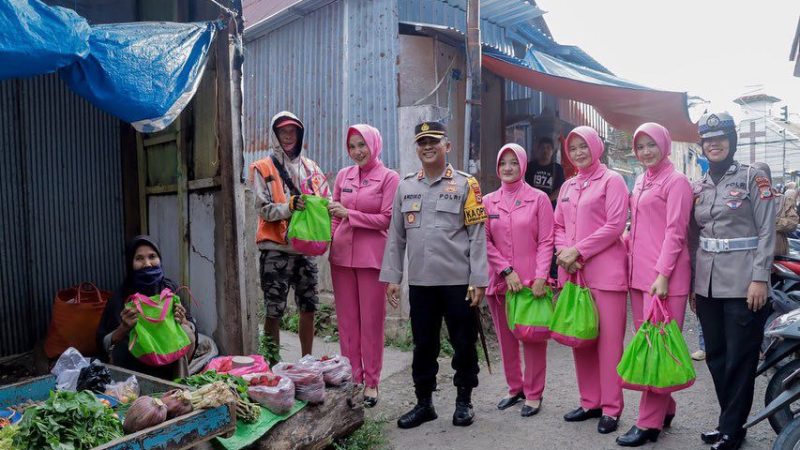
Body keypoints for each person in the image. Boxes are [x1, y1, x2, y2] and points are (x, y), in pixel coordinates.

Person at [381, 121, 488, 429]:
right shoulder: (406, 186)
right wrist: (393, 277)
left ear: (447, 146)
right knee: (423, 345)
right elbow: (396, 237)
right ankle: (424, 403)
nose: (427, 147)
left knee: (463, 343)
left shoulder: (467, 185)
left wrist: (478, 279)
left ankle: (464, 401)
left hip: (458, 283)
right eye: (422, 142)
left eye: (434, 141)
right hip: (421, 283)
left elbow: (477, 234)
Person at [689, 112, 776, 450]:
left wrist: (760, 278)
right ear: (702, 145)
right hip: (708, 284)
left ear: (732, 140)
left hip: (744, 283)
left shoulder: (754, 178)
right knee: (717, 357)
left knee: (740, 358)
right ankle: (729, 423)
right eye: (708, 139)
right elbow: (693, 238)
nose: (714, 144)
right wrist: (695, 287)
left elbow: (767, 230)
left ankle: (731, 430)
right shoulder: (699, 185)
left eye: (721, 137)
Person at [616, 123, 693, 446]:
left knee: (654, 349)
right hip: (639, 276)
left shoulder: (677, 182)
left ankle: (648, 424)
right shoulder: (642, 180)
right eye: (641, 146)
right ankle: (667, 407)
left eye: (652, 145)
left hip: (665, 279)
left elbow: (676, 231)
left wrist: (662, 274)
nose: (646, 151)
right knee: (649, 344)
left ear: (664, 145)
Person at [554, 126, 629, 434]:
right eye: (573, 149)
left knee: (609, 344)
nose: (578, 153)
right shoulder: (568, 186)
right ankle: (589, 402)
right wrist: (563, 252)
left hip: (606, 274)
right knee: (580, 337)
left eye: (583, 146)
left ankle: (611, 407)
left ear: (596, 147)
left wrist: (577, 251)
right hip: (574, 274)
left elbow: (614, 225)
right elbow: (558, 224)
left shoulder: (612, 180)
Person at [328, 124, 400, 407]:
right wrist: (329, 239)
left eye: (362, 145)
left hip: (372, 259)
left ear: (374, 144)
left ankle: (371, 382)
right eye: (352, 146)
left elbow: (386, 218)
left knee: (371, 323)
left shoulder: (388, 177)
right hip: (342, 258)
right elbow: (335, 212)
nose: (357, 151)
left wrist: (351, 214)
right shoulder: (343, 176)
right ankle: (352, 378)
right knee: (346, 322)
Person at [250, 111, 330, 360]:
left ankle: (307, 361)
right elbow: (262, 208)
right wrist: (289, 206)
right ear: (275, 134)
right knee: (274, 310)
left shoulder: (312, 167)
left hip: (305, 249)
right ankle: (273, 365)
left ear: (299, 134)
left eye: (292, 131)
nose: (288, 135)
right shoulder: (262, 168)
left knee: (309, 307)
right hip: (275, 249)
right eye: (283, 131)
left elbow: (326, 200)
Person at [484, 143, 554, 417]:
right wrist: (505, 270)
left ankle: (534, 393)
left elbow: (547, 241)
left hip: (530, 285)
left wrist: (540, 277)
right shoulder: (488, 201)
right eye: (503, 163)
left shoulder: (538, 199)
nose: (508, 168)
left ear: (523, 165)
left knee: (534, 338)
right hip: (501, 282)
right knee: (506, 339)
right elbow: (484, 241)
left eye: (514, 162)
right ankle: (515, 387)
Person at [96, 235, 196, 380]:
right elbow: (103, 343)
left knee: (188, 334)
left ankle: (178, 383)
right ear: (130, 263)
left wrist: (184, 321)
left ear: (160, 259)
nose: (147, 264)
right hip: (136, 364)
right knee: (122, 348)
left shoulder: (170, 288)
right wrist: (123, 328)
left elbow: (191, 325)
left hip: (169, 357)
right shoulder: (122, 296)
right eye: (139, 258)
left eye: (152, 256)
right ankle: (137, 388)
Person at [525, 136, 566, 208]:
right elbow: (525, 185)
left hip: (550, 206)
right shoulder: (529, 166)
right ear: (537, 149)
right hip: (531, 205)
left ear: (552, 151)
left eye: (548, 148)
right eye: (542, 147)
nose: (545, 150)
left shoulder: (558, 168)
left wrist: (546, 200)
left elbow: (560, 188)